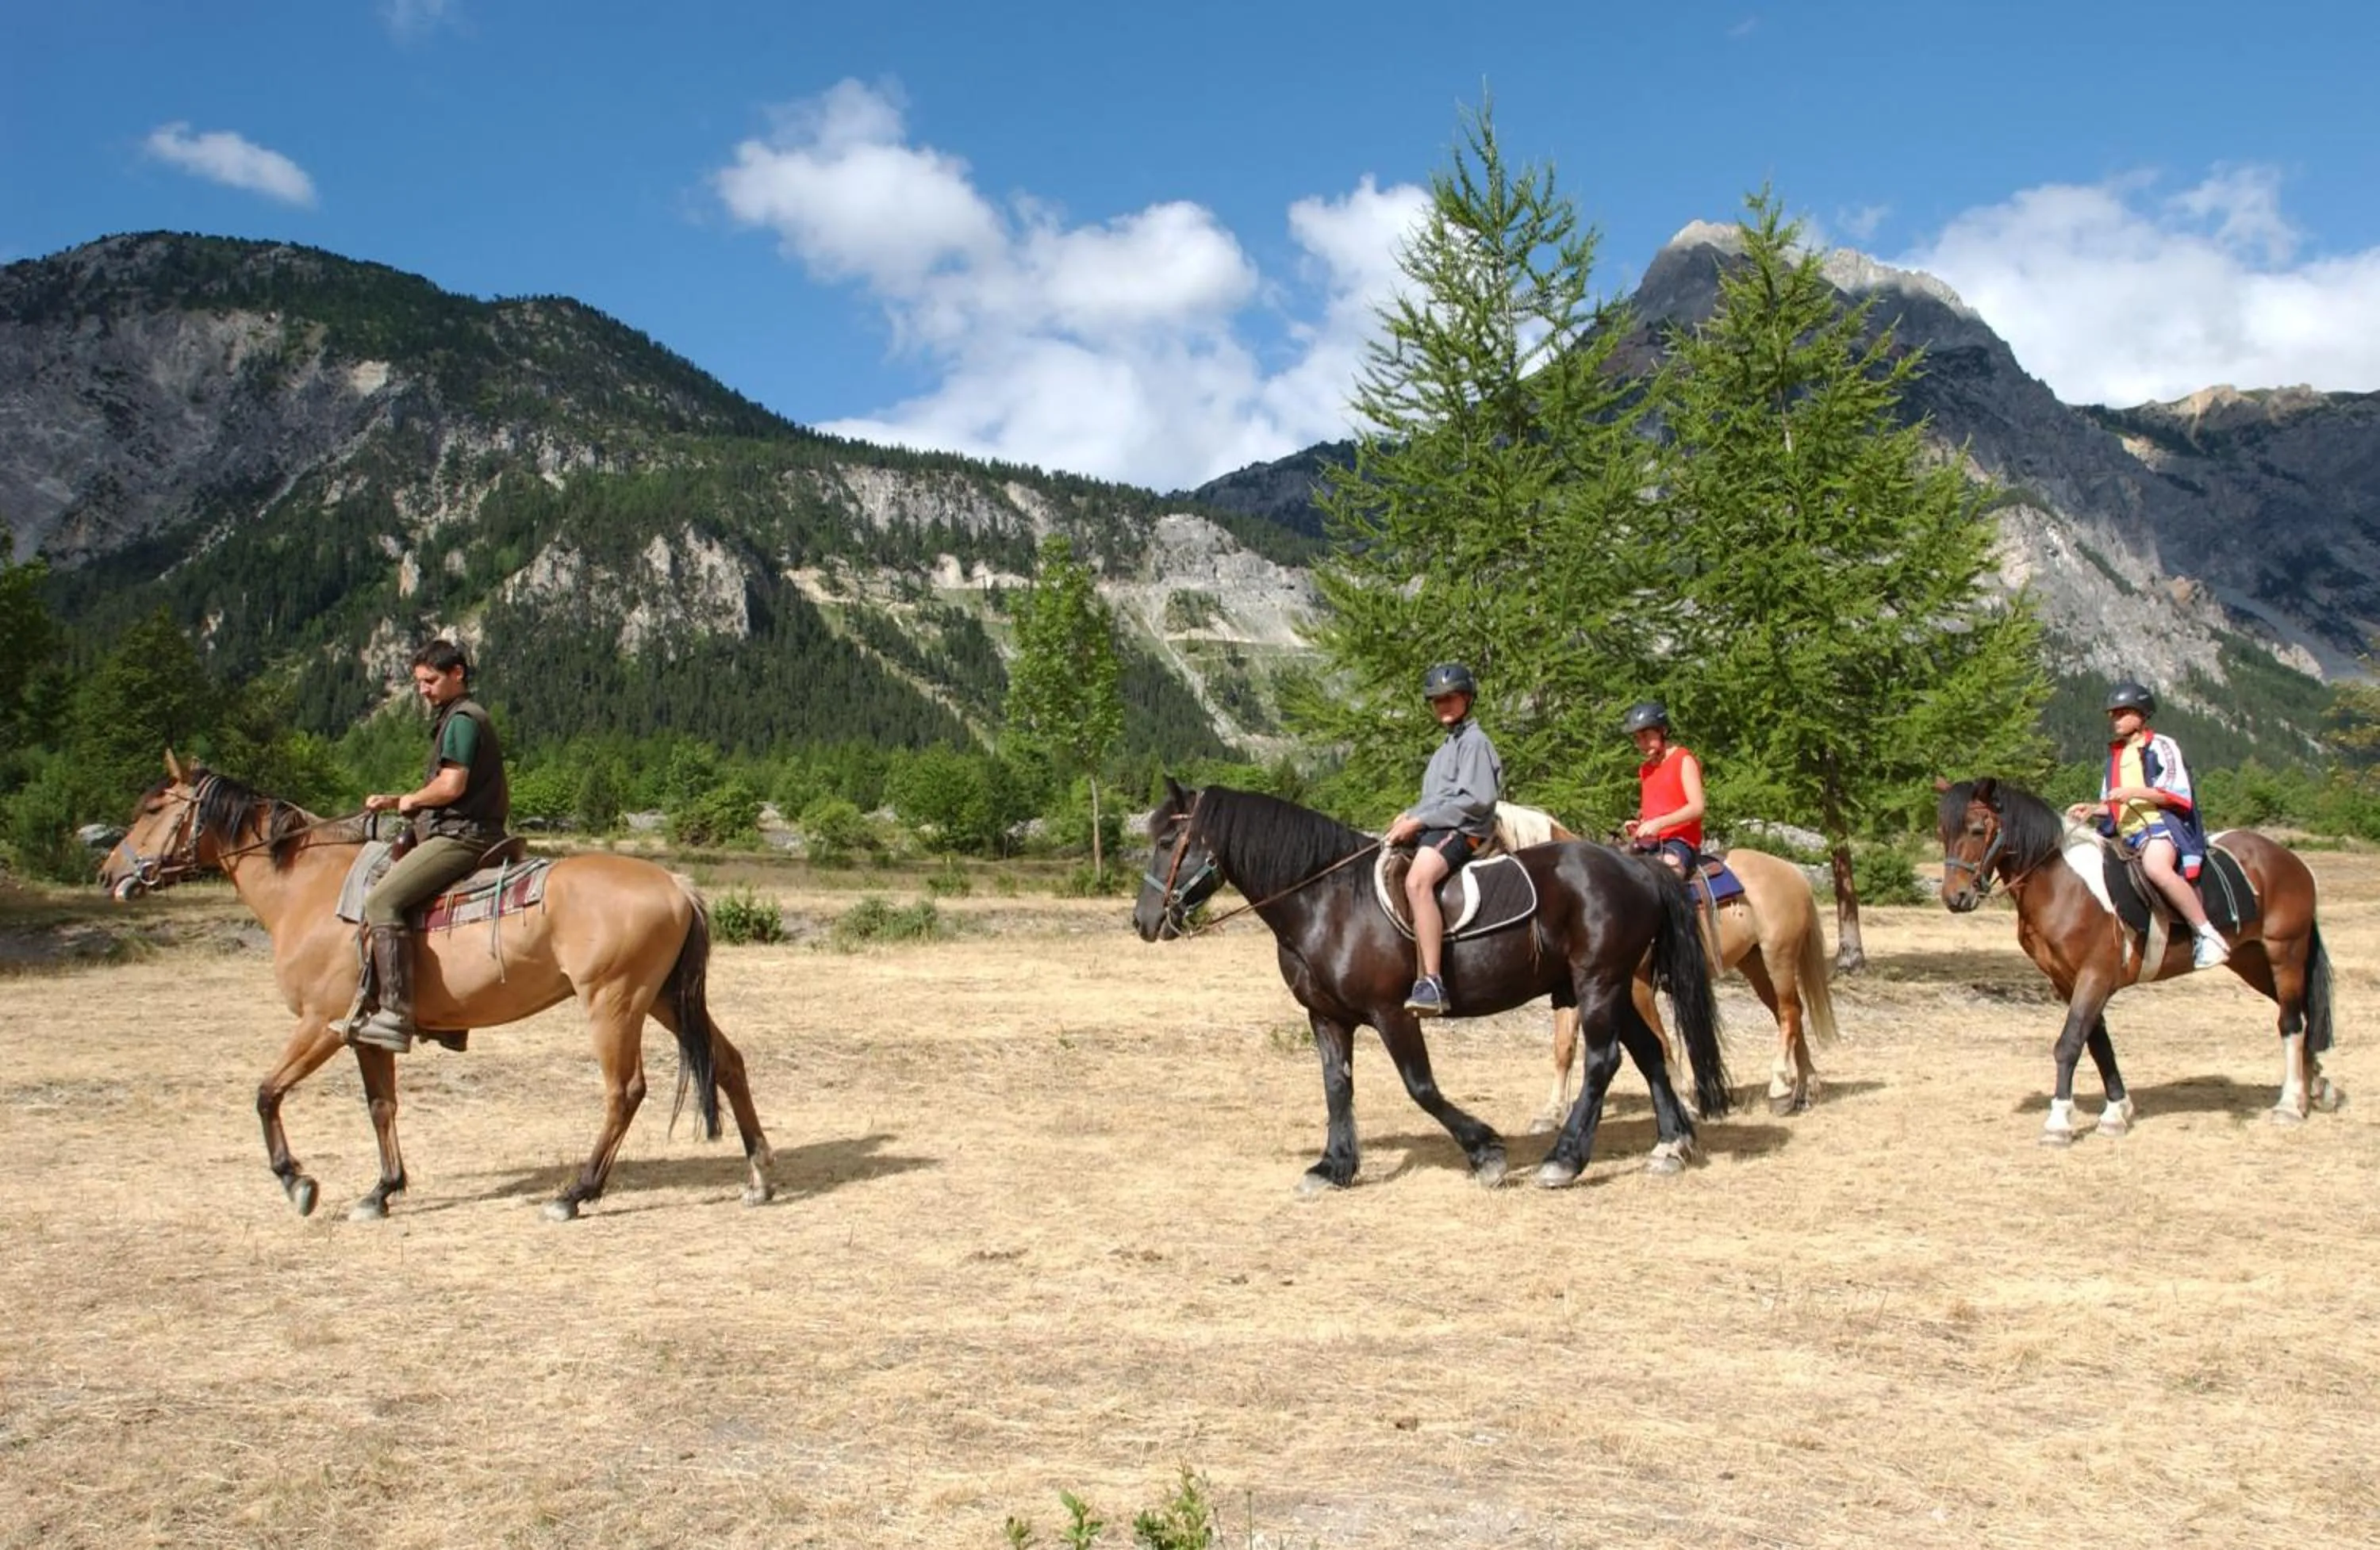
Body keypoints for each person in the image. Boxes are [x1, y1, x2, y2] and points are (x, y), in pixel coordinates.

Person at [338, 640, 512, 1053]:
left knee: (381, 901)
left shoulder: (464, 720)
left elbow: (452, 786)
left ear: (458, 675)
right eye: (418, 682)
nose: (423, 690)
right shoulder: (456, 717)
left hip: (463, 836)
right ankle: (446, 1018)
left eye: (430, 681)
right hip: (463, 828)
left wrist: (409, 800)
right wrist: (399, 799)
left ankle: (395, 1014)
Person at [2066, 680, 2227, 969]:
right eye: (2113, 714)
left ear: (2141, 714)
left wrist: (2133, 793)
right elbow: (2114, 805)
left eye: (2123, 712)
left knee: (2156, 867)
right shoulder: (2115, 756)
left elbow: (2177, 793)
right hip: (2125, 835)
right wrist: (2092, 809)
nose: (2116, 719)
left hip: (2160, 828)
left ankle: (2207, 933)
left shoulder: (2162, 746)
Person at [1383, 662, 1503, 1017]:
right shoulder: (1444, 751)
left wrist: (1420, 819)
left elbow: (1475, 799)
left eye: (1449, 699)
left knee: (1419, 882)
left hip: (1464, 829)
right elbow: (1435, 800)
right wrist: (1408, 815)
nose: (1443, 706)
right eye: (1437, 701)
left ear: (1467, 698)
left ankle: (1433, 981)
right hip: (1438, 826)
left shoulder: (1476, 743)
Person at [1620, 700, 1704, 880]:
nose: (1642, 743)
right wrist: (1641, 824)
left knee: (1665, 877)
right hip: (1650, 843)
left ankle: (1683, 909)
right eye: (1637, 738)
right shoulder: (1645, 769)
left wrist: (1659, 823)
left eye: (1646, 736)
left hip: (1680, 842)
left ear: (1663, 731)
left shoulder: (1683, 759)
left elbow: (1697, 807)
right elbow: (1655, 809)